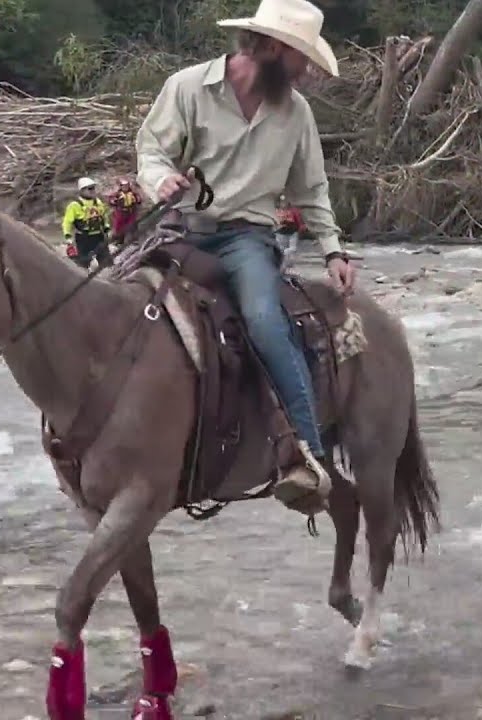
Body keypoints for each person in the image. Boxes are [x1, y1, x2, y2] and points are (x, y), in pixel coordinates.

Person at [135, 0, 357, 499]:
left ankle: (305, 453)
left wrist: (333, 252)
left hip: (246, 240)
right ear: (275, 49)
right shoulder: (188, 87)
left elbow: (311, 191)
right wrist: (161, 179)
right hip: (180, 228)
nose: (304, 72)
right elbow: (151, 150)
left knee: (263, 320)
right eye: (301, 58)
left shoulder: (296, 113)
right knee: (115, 303)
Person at [61, 177, 113, 269]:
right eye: (90, 189)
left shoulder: (98, 202)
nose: (93, 191)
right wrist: (68, 237)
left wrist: (107, 229)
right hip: (84, 239)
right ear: (82, 190)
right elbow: (67, 222)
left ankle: (108, 278)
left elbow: (104, 217)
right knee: (83, 264)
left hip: (99, 237)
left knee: (107, 262)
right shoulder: (75, 205)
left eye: (93, 188)